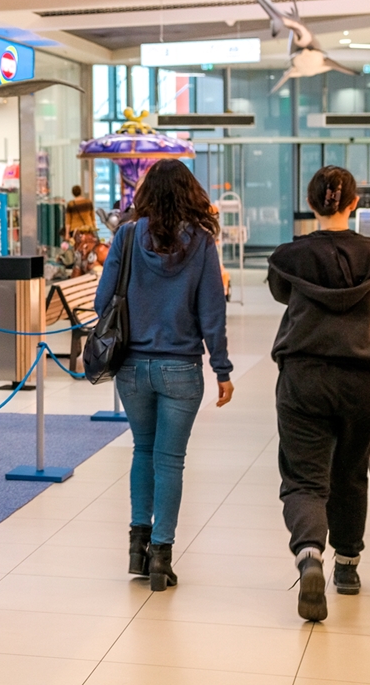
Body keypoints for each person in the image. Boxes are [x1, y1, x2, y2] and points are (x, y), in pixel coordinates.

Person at [268, 166, 370, 622]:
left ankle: (309, 555)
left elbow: (282, 294)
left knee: (304, 478)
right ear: (355, 203)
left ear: (311, 204)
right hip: (361, 380)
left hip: (302, 377)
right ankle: (347, 566)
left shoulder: (288, 257)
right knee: (350, 472)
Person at [95, 159, 234, 592]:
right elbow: (212, 312)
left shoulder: (127, 235)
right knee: (170, 460)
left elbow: (102, 301)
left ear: (147, 195)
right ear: (191, 194)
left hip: (132, 367)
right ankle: (161, 557)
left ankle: (136, 549)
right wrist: (222, 368)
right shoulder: (203, 243)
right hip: (181, 368)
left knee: (143, 450)